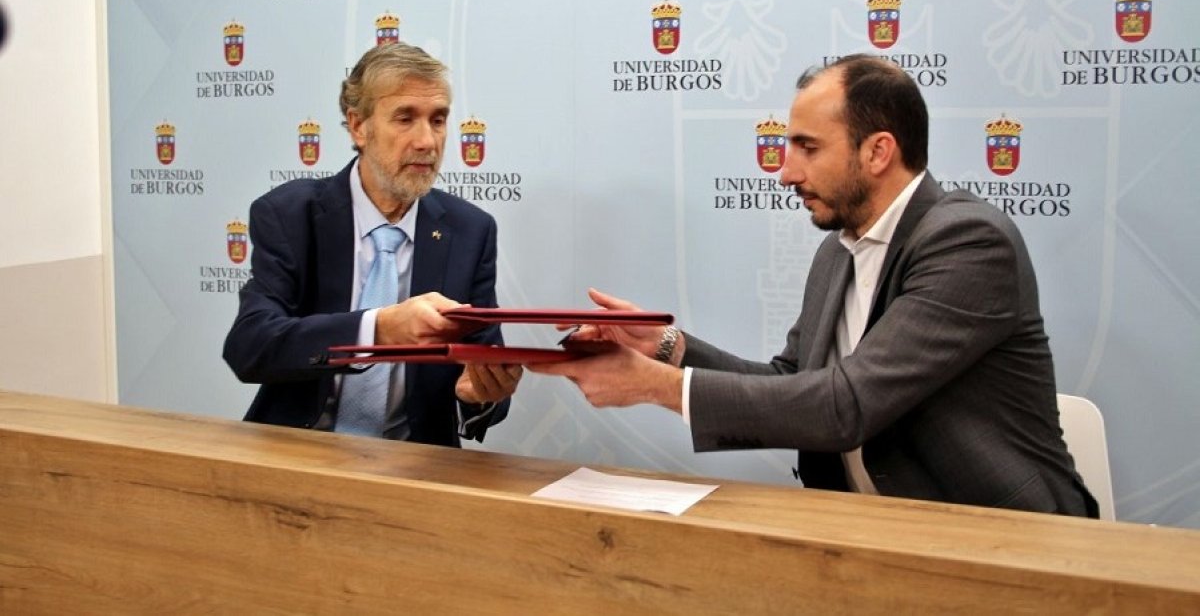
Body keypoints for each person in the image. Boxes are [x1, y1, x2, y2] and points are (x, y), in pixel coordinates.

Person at [531, 54, 1097, 517]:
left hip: (1004, 540)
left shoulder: (969, 241)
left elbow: (845, 405)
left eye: (808, 147)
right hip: (870, 531)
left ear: (878, 151)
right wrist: (663, 348)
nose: (786, 172)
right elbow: (795, 382)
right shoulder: (839, 248)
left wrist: (656, 386)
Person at [224, 42, 521, 446]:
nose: (427, 141)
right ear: (358, 126)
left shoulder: (471, 231)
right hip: (302, 451)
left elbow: (484, 365)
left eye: (437, 120)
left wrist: (477, 396)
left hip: (415, 465)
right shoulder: (290, 215)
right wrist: (377, 329)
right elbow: (250, 345)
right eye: (405, 118)